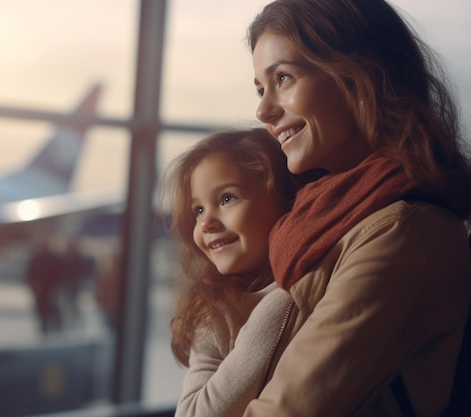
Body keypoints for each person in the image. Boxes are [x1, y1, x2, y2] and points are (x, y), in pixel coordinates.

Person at [242, 0, 471, 416]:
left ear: (357, 76)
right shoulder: (332, 217)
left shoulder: (399, 232)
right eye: (261, 88)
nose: (264, 110)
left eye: (284, 78)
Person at [163, 128, 314, 417]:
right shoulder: (214, 313)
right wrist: (283, 298)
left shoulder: (323, 278)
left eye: (227, 199)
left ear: (284, 198)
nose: (206, 223)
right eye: (197, 210)